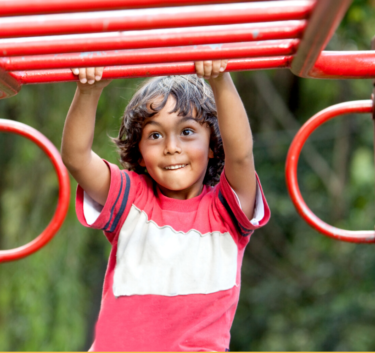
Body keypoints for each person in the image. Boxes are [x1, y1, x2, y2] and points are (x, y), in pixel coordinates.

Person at [61, 61, 270, 351]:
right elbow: (77, 158)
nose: (171, 147)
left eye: (187, 132)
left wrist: (221, 80)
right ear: (141, 152)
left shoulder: (225, 211)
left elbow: (241, 156)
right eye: (155, 135)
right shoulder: (131, 198)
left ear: (211, 145)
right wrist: (88, 92)